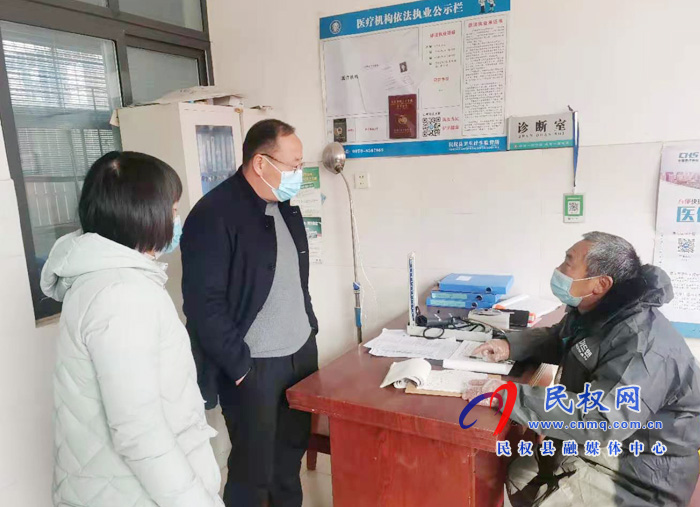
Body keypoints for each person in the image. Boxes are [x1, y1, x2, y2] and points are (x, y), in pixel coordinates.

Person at [464, 232, 700, 506]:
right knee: (520, 474)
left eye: (568, 263)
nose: (559, 270)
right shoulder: (600, 310)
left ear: (601, 283)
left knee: (548, 495)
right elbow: (561, 337)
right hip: (613, 442)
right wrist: (509, 346)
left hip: (643, 471)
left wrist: (510, 396)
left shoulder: (640, 345)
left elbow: (602, 420)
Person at [41, 152, 223, 507]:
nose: (176, 220)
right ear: (144, 216)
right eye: (172, 210)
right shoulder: (122, 296)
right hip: (132, 494)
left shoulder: (104, 280)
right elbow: (140, 432)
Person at [181, 119, 318, 507]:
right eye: (293, 165)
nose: (298, 174)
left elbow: (295, 277)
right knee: (252, 473)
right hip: (254, 367)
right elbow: (203, 304)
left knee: (288, 464)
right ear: (260, 163)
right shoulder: (213, 215)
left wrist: (310, 329)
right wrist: (240, 368)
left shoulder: (282, 205)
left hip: (299, 358)